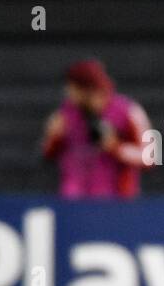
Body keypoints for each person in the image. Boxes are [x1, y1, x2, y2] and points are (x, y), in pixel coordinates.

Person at [42, 60, 153, 199]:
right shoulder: (65, 115)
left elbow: (149, 158)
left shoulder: (128, 112)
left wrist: (115, 147)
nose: (68, 93)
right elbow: (48, 154)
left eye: (73, 88)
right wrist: (55, 137)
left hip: (116, 201)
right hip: (73, 201)